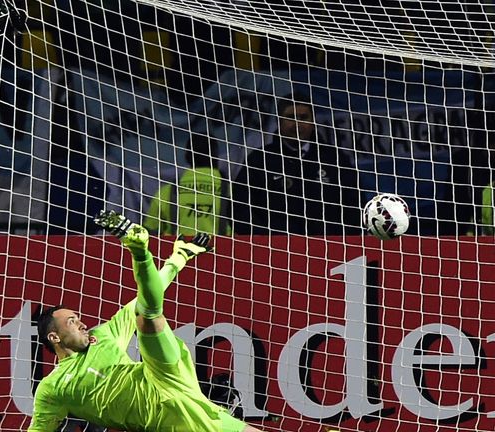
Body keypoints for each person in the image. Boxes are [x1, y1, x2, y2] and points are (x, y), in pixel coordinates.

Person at [28, 210, 265, 432]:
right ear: (54, 337)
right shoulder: (52, 388)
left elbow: (144, 300)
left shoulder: (102, 336)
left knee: (146, 315)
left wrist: (177, 260)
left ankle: (139, 249)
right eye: (71, 321)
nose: (81, 324)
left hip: (164, 377)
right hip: (186, 413)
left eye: (78, 318)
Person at [233, 94, 361, 235]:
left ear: (313, 122)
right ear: (279, 121)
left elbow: (354, 207)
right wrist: (267, 240)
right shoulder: (259, 160)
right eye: (291, 117)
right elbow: (240, 209)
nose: (297, 124)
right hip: (275, 251)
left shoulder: (334, 159)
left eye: (303, 118)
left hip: (329, 250)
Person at [144, 134, 232, 236]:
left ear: (187, 157)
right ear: (216, 156)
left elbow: (150, 232)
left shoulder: (166, 192)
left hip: (176, 250)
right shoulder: (232, 192)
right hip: (222, 251)